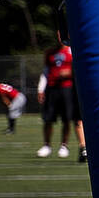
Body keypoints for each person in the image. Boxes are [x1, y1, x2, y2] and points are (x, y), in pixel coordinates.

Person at [37, 32, 86, 162]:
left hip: (67, 89)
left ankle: (64, 145)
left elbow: (80, 68)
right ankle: (46, 145)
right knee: (48, 118)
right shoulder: (50, 53)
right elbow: (46, 71)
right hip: (52, 89)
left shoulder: (72, 51)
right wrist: (41, 89)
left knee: (67, 119)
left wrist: (70, 72)